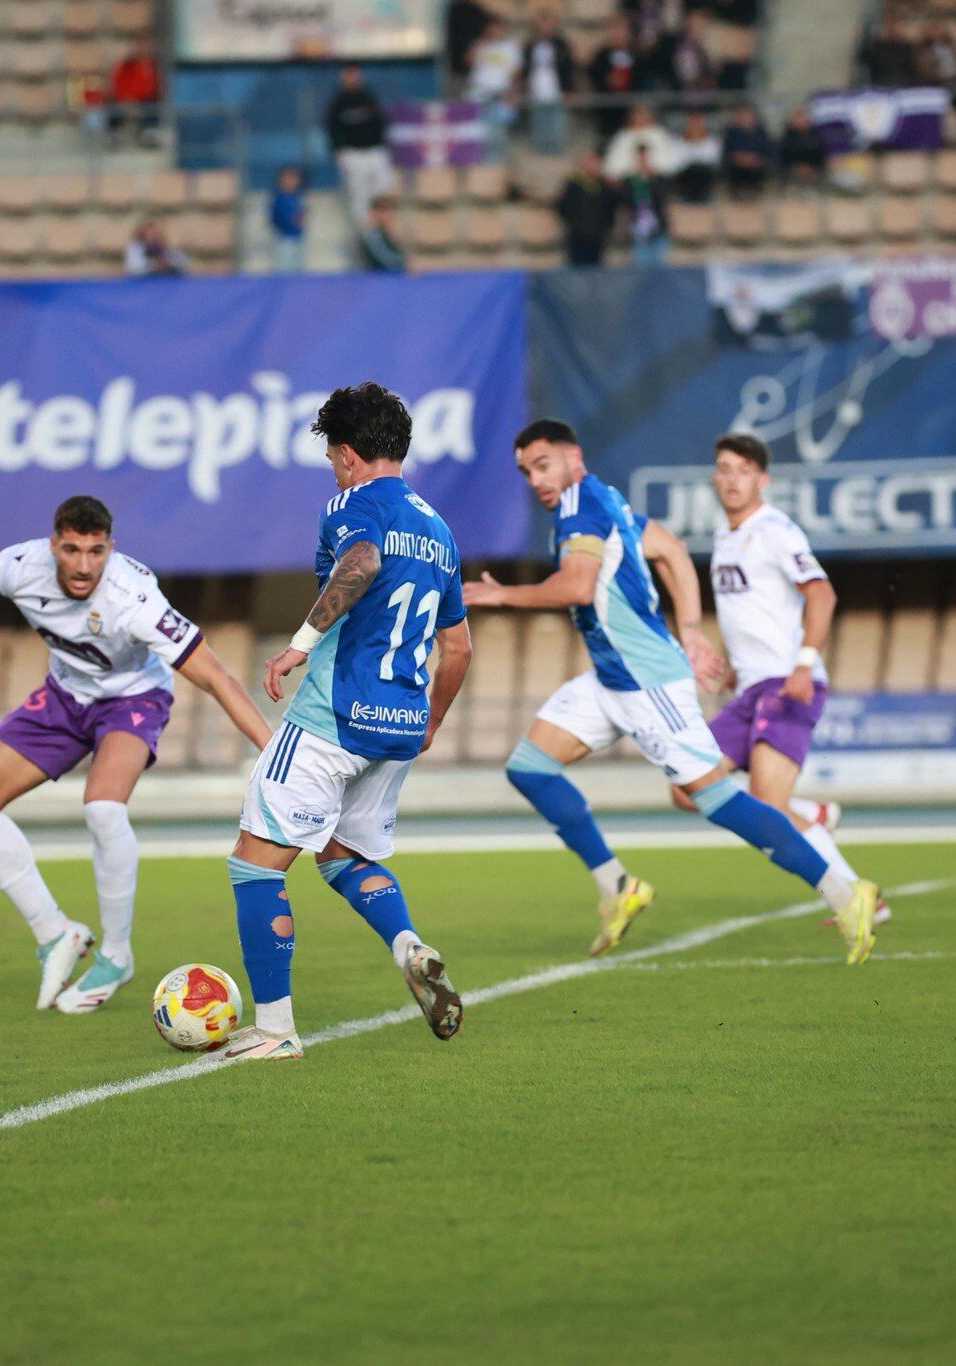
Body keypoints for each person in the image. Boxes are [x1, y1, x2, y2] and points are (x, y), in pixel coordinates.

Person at [464, 420, 882, 964]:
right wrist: (689, 631)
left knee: (715, 799)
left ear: (574, 458)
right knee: (530, 767)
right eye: (526, 472)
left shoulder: (582, 506)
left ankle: (846, 894)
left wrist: (500, 597)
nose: (536, 479)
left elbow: (578, 586)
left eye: (544, 465)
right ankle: (619, 886)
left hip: (645, 681)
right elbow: (672, 549)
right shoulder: (606, 500)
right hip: (611, 677)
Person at [0, 496, 271, 1014]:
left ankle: (116, 954)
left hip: (134, 698)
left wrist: (271, 749)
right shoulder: (21, 566)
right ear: (53, 546)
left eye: (96, 551)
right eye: (72, 550)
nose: (85, 565)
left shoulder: (135, 597)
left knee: (103, 808)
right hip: (65, 697)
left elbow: (217, 677)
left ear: (110, 548)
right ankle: (55, 933)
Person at [223, 383, 472, 1061]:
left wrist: (299, 646)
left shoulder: (353, 502)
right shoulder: (440, 532)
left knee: (254, 864)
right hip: (399, 724)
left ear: (349, 455)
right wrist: (430, 722)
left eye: (333, 458)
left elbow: (361, 561)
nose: (334, 470)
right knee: (340, 856)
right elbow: (459, 648)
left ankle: (275, 1032)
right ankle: (408, 944)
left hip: (332, 717)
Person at [693, 434, 879, 913]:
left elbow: (821, 593)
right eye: (725, 469)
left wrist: (803, 662)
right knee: (687, 784)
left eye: (743, 471)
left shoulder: (776, 529)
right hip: (752, 684)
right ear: (714, 478)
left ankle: (857, 898)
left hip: (788, 682)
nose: (733, 480)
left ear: (763, 480)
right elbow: (751, 611)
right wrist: (734, 668)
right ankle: (811, 816)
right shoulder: (724, 536)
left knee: (766, 806)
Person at [326, 65, 394, 227]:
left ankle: (381, 224)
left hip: (374, 151)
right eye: (349, 77)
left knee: (383, 188)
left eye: (355, 76)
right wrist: (339, 150)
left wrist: (382, 144)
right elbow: (332, 128)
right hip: (352, 153)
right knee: (359, 193)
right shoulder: (338, 102)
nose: (353, 80)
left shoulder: (369, 98)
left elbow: (380, 123)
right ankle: (363, 229)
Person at [521, 12, 576, 156]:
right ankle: (540, 154)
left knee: (557, 127)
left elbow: (568, 68)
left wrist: (568, 89)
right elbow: (525, 68)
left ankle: (556, 154)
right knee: (539, 126)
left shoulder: (561, 45)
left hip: (556, 92)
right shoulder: (530, 46)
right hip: (536, 93)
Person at [557, 148, 618, 266]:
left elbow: (611, 206)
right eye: (590, 161)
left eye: (595, 161)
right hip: (578, 237)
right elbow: (564, 209)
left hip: (598, 237)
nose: (593, 165)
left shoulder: (603, 185)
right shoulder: (573, 186)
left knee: (595, 268)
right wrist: (575, 225)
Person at [622, 146, 670, 267]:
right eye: (640, 158)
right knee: (642, 262)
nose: (643, 161)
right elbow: (626, 200)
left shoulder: (659, 178)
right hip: (638, 226)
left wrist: (651, 180)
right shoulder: (629, 180)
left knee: (659, 262)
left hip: (658, 225)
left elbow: (662, 198)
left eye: (645, 158)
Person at [106, 40, 161, 143]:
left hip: (142, 101)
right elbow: (118, 85)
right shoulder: (125, 67)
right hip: (125, 101)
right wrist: (126, 100)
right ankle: (112, 135)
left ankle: (149, 133)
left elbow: (151, 89)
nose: (143, 52)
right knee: (111, 104)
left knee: (152, 104)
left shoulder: (153, 68)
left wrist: (136, 102)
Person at [604, 104, 679, 179]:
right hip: (629, 180)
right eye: (638, 114)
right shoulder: (623, 137)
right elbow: (612, 167)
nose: (641, 118)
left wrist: (654, 169)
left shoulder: (658, 133)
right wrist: (633, 169)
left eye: (644, 114)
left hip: (658, 178)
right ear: (631, 117)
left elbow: (670, 163)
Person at [719, 104, 774, 197]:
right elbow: (726, 151)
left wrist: (755, 159)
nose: (744, 118)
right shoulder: (730, 133)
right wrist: (739, 158)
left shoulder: (761, 133)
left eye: (747, 115)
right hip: (736, 166)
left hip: (756, 165)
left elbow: (767, 151)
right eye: (741, 115)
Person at [776, 104, 827, 190]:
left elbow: (821, 155)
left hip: (814, 170)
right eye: (797, 116)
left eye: (803, 116)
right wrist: (798, 167)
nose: (801, 120)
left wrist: (810, 167)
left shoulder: (816, 135)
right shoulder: (787, 137)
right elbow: (783, 158)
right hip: (793, 171)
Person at [675, 110, 722, 202]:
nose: (695, 126)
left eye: (698, 123)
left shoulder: (713, 141)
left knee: (701, 171)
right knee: (692, 170)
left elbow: (714, 161)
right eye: (692, 123)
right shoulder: (679, 141)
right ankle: (689, 196)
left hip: (705, 173)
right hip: (686, 174)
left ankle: (702, 196)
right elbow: (676, 163)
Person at [268, 165, 306, 275]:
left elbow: (301, 218)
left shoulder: (296, 198)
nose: (292, 181)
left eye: (294, 178)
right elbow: (275, 219)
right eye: (289, 177)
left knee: (298, 271)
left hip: (297, 238)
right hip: (284, 240)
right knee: (285, 271)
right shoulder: (279, 199)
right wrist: (293, 220)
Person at [357, 197, 407, 273]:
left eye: (388, 210)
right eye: (382, 211)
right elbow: (389, 261)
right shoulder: (371, 235)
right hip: (376, 276)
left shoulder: (394, 233)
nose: (386, 215)